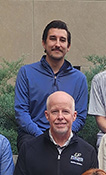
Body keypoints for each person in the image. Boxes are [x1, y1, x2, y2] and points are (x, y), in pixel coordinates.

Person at [14, 20, 88, 150]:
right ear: (44, 43)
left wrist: (63, 134)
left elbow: (80, 117)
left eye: (62, 40)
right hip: (33, 135)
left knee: (85, 151)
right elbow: (21, 112)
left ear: (68, 46)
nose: (57, 44)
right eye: (53, 39)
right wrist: (43, 136)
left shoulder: (79, 78)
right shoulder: (26, 73)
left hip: (66, 134)